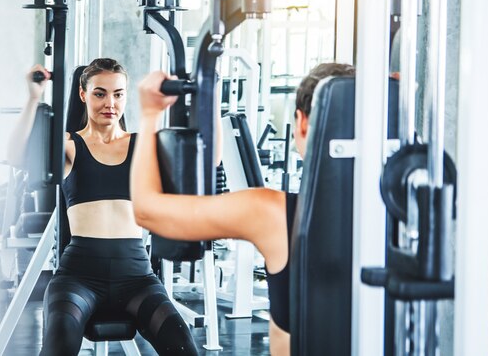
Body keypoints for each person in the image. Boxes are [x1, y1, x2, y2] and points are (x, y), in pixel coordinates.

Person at [130, 62, 355, 356]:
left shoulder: (273, 212)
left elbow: (147, 210)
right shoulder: (415, 214)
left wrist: (149, 115)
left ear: (302, 123)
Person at [7, 58, 198, 356]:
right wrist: (33, 98)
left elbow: (203, 161)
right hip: (78, 278)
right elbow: (17, 155)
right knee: (59, 342)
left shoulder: (143, 145)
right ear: (83, 94)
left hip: (137, 279)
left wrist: (202, 93)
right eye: (100, 93)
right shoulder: (70, 145)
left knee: (183, 346)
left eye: (118, 94)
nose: (110, 102)